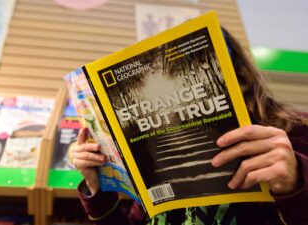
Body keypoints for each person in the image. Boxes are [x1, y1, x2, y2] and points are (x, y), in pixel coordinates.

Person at [70, 28, 308, 225]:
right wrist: (97, 187)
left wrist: (295, 182)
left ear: (240, 75)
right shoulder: (161, 150)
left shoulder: (292, 131)